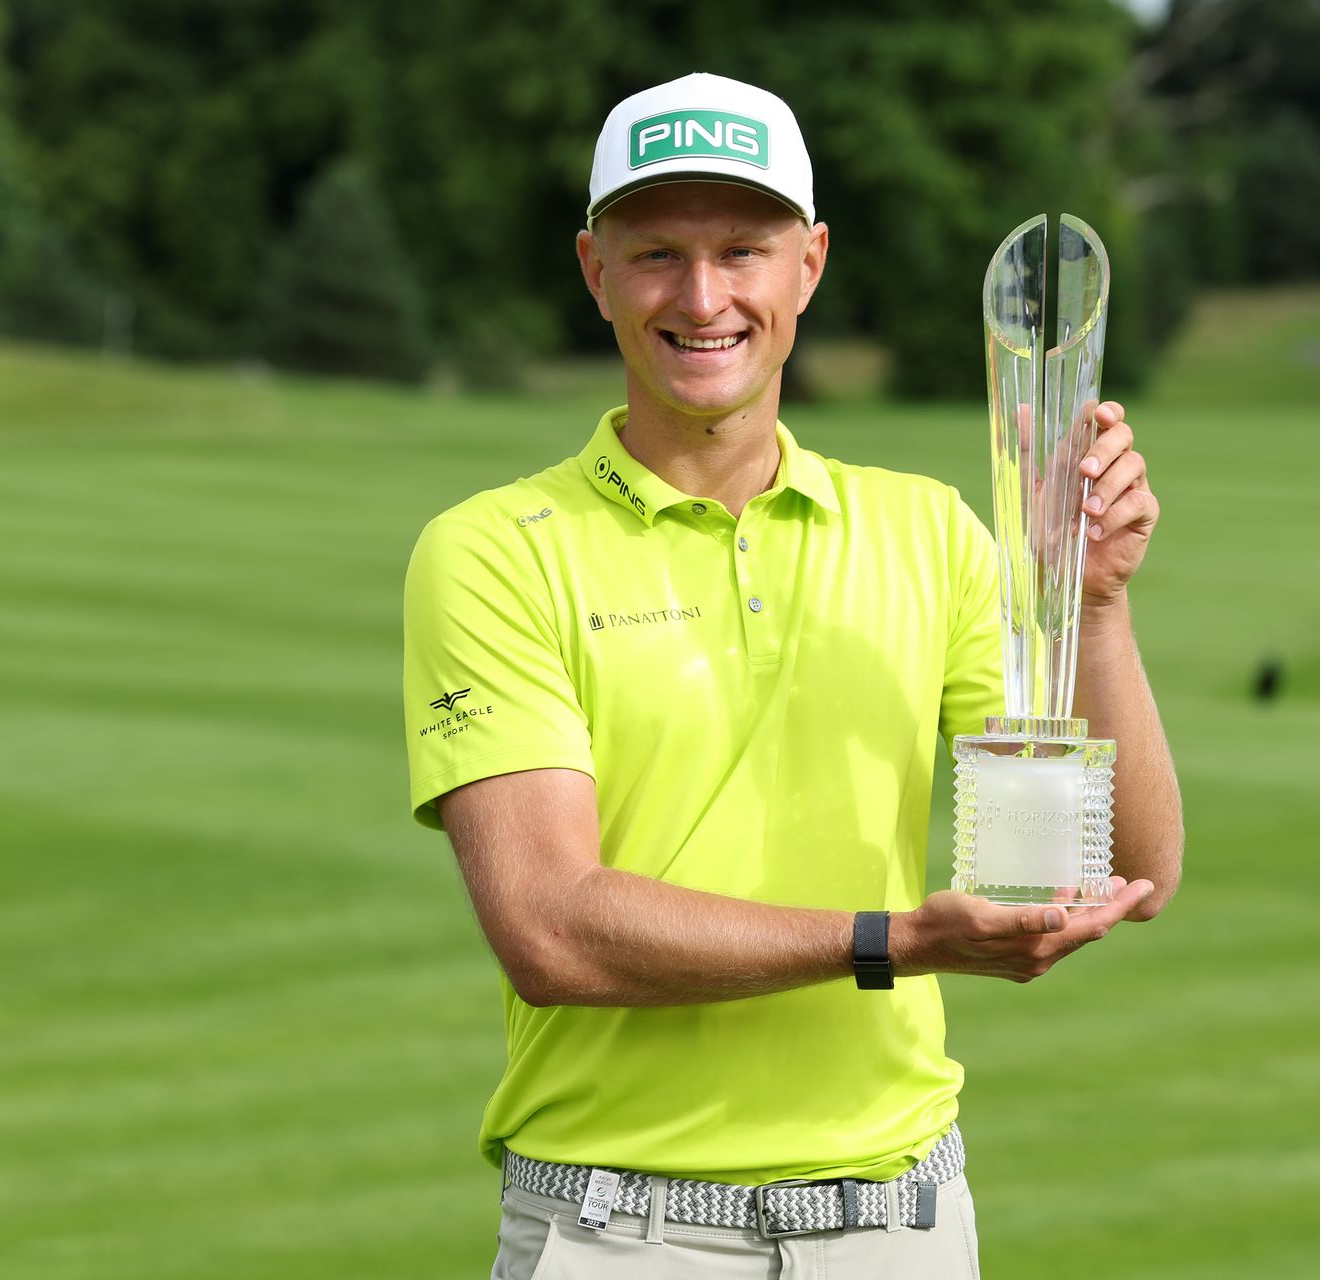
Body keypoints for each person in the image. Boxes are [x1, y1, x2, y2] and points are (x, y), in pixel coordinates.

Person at [402, 72, 1183, 1278]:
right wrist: (895, 938)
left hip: (901, 1225)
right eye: (656, 251)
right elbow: (552, 928)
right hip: (620, 1232)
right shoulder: (495, 550)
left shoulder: (928, 532)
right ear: (593, 270)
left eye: (744, 250)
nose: (703, 296)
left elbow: (1125, 863)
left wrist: (1093, 606)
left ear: (808, 266)